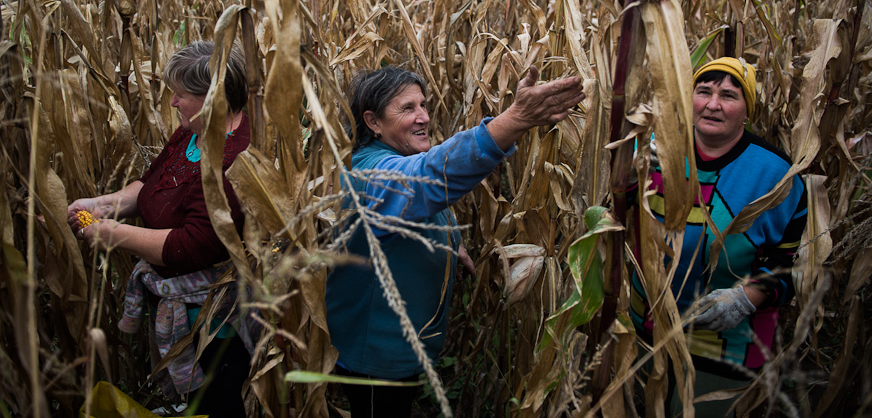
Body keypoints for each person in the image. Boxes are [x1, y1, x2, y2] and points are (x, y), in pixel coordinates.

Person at [325, 64, 585, 418]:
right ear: (372, 122)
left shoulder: (397, 158)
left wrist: (449, 244)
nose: (423, 117)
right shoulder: (370, 174)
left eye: (423, 105)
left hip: (400, 349)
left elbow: (416, 208)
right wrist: (515, 120)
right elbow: (427, 181)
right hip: (378, 359)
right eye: (407, 108)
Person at [68, 41, 254, 418]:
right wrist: (104, 205)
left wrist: (113, 235)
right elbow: (151, 183)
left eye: (181, 95)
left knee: (220, 400)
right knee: (194, 402)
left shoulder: (236, 158)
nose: (172, 102)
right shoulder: (191, 133)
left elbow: (192, 245)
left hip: (212, 317)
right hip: (173, 301)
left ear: (212, 98)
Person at [629, 57, 808, 416]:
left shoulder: (777, 177)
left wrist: (745, 298)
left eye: (728, 95)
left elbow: (793, 264)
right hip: (647, 329)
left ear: (747, 111)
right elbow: (614, 219)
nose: (712, 104)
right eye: (704, 91)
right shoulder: (653, 150)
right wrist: (628, 172)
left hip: (728, 347)